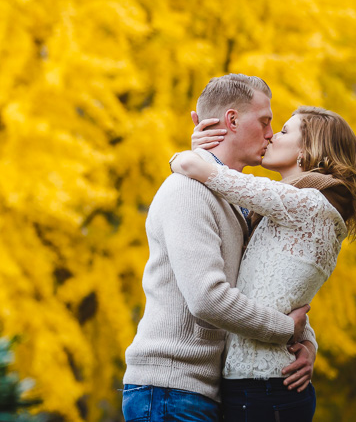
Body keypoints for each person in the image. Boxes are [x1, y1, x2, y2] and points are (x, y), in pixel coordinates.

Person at [122, 75, 316, 422]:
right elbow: (207, 298)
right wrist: (285, 329)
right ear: (231, 121)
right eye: (265, 121)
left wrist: (306, 342)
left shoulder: (236, 200)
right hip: (170, 391)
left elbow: (264, 284)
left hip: (201, 392)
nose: (270, 134)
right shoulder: (189, 191)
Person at [169, 105, 356, 422]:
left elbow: (215, 175)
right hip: (259, 388)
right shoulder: (300, 208)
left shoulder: (309, 203)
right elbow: (280, 290)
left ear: (307, 149)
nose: (273, 135)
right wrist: (307, 341)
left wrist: (194, 154)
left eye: (285, 131)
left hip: (264, 391)